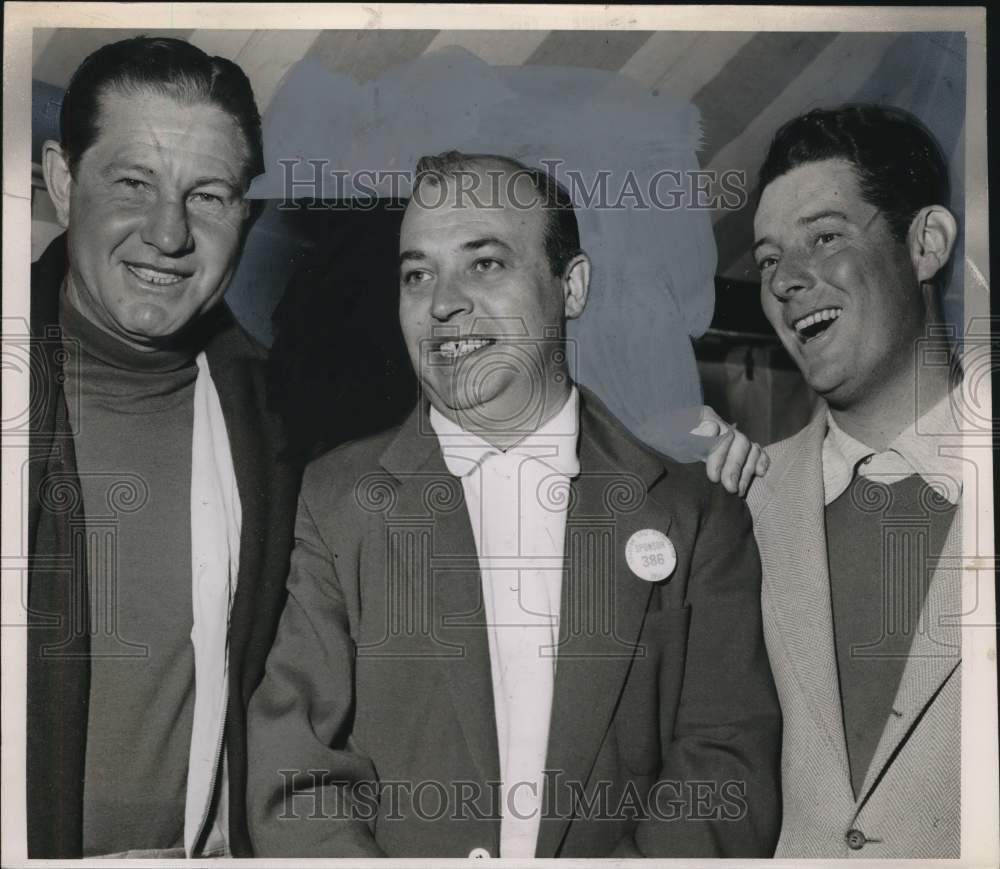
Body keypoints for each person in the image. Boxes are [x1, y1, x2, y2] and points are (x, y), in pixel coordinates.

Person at [247, 151, 781, 858]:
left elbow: (724, 769)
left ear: (573, 285)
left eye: (485, 263)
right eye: (417, 273)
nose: (443, 302)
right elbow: (296, 771)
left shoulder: (695, 511)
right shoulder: (337, 500)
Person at [28, 36, 298, 858]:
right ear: (63, 180)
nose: (169, 232)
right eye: (134, 183)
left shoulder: (280, 418)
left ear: (243, 215)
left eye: (208, 196)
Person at [711, 104, 961, 857]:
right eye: (766, 261)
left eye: (824, 236)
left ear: (925, 243)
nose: (788, 280)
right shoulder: (736, 504)